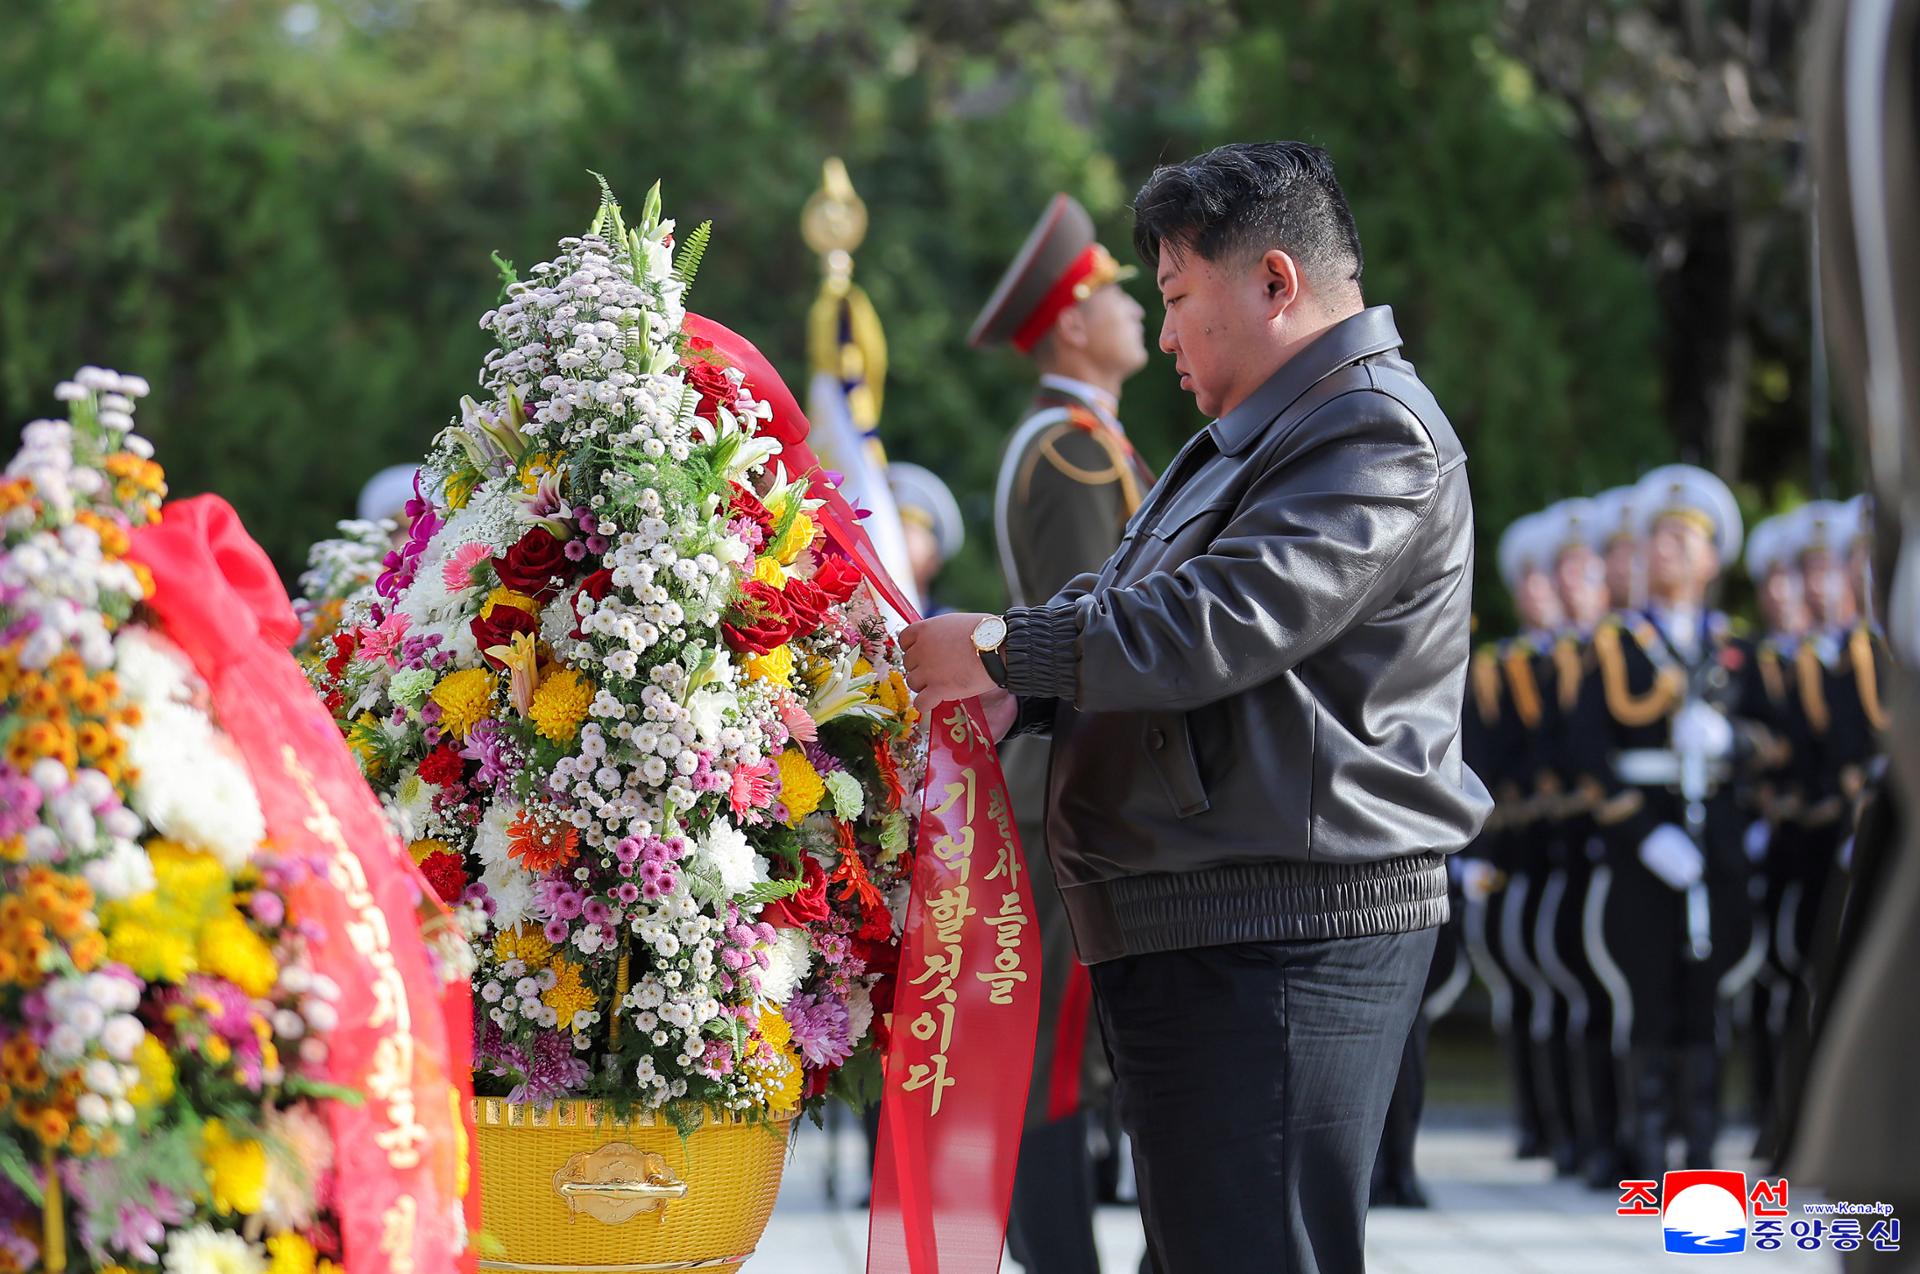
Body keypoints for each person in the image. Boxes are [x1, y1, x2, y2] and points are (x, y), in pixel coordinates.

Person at [902, 141, 1491, 1272]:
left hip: (1281, 932)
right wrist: (1010, 688)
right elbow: (1128, 603)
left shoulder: (1371, 429)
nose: (1163, 334)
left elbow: (1222, 618)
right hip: (1215, 924)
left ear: (1276, 282)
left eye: (1177, 298)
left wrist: (998, 647)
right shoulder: (1256, 434)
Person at [966, 192, 1154, 1274]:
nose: (1139, 312)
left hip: (1068, 775)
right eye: (1119, 295)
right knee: (1050, 1042)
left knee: (1064, 1037)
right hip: (1069, 780)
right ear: (1074, 325)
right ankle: (1057, 1253)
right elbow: (1096, 632)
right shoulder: (1075, 452)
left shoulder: (1089, 439)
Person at [1567, 464, 1765, 1180]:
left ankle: (1705, 1158)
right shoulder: (1618, 646)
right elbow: (1587, 750)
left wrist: (1732, 741)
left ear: (1713, 560)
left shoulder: (1736, 647)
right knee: (1647, 997)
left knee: (1706, 1000)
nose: (1670, 552)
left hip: (1715, 842)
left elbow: (1776, 743)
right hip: (1646, 846)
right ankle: (1647, 1162)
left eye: (1687, 541)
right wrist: (1643, 833)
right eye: (1661, 539)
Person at [886, 461, 965, 614]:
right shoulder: (842, 615)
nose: (889, 543)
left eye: (906, 530)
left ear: (934, 560)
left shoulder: (951, 629)